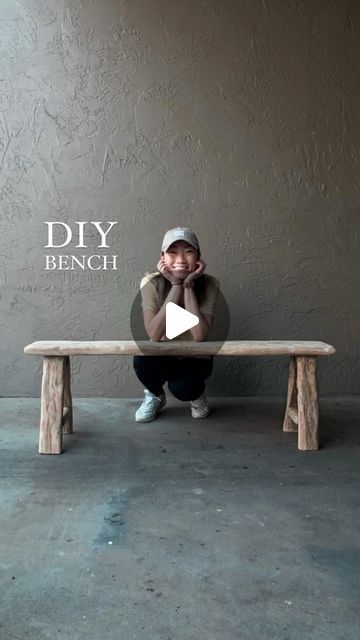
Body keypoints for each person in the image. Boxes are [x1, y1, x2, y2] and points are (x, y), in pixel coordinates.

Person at [133, 227, 220, 423]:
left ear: (198, 256)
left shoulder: (210, 284)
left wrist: (188, 285)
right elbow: (154, 334)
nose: (180, 258)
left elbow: (199, 336)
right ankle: (154, 395)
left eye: (188, 251)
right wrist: (175, 285)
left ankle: (195, 395)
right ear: (162, 257)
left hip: (195, 357)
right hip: (164, 354)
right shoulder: (150, 282)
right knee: (142, 360)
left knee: (183, 389)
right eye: (172, 252)